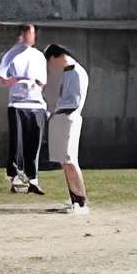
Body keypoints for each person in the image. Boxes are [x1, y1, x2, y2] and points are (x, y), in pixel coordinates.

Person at [0, 24, 48, 195]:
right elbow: (1, 79)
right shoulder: (10, 55)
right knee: (17, 143)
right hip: (17, 104)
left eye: (34, 33)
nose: (33, 37)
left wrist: (34, 82)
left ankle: (33, 179)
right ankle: (16, 177)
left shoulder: (39, 56)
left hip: (36, 105)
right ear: (23, 34)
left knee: (34, 143)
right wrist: (16, 80)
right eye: (31, 33)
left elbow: (43, 81)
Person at [44, 43, 92, 213]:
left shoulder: (77, 72)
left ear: (56, 57)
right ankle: (75, 198)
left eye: (50, 62)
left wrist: (54, 110)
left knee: (70, 162)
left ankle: (81, 202)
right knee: (65, 162)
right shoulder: (69, 72)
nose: (51, 67)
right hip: (63, 118)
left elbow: (73, 102)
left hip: (69, 119)